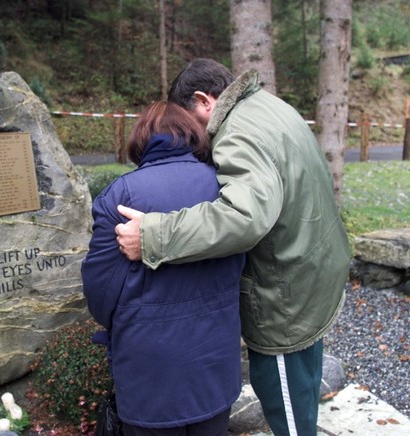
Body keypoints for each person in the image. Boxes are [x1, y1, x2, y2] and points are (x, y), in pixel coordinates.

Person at [115, 58, 351, 436]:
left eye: (191, 121)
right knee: (304, 392)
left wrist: (152, 235)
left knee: (289, 412)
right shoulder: (269, 107)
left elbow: (244, 218)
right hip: (313, 271)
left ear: (204, 100)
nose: (195, 135)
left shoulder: (238, 130)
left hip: (284, 297)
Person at [81, 101, 245, 436]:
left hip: (149, 372)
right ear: (192, 135)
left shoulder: (121, 196)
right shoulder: (227, 189)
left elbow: (99, 291)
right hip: (215, 360)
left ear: (141, 140)